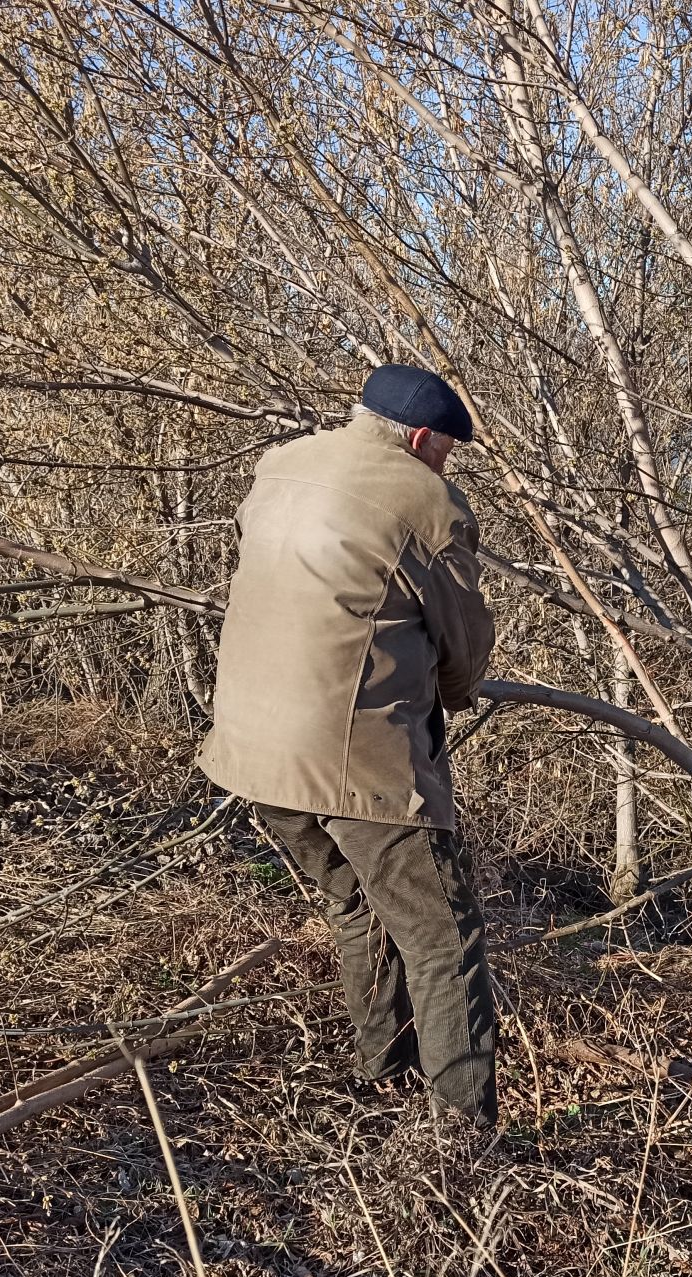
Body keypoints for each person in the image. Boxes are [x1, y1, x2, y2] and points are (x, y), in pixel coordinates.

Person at [198, 364, 498, 1128]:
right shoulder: (425, 499)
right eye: (445, 452)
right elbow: (462, 646)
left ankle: (378, 1077)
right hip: (355, 765)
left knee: (358, 907)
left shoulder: (281, 464)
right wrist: (458, 691)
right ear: (424, 440)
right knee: (441, 939)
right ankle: (463, 1142)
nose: (445, 466)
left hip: (251, 751)